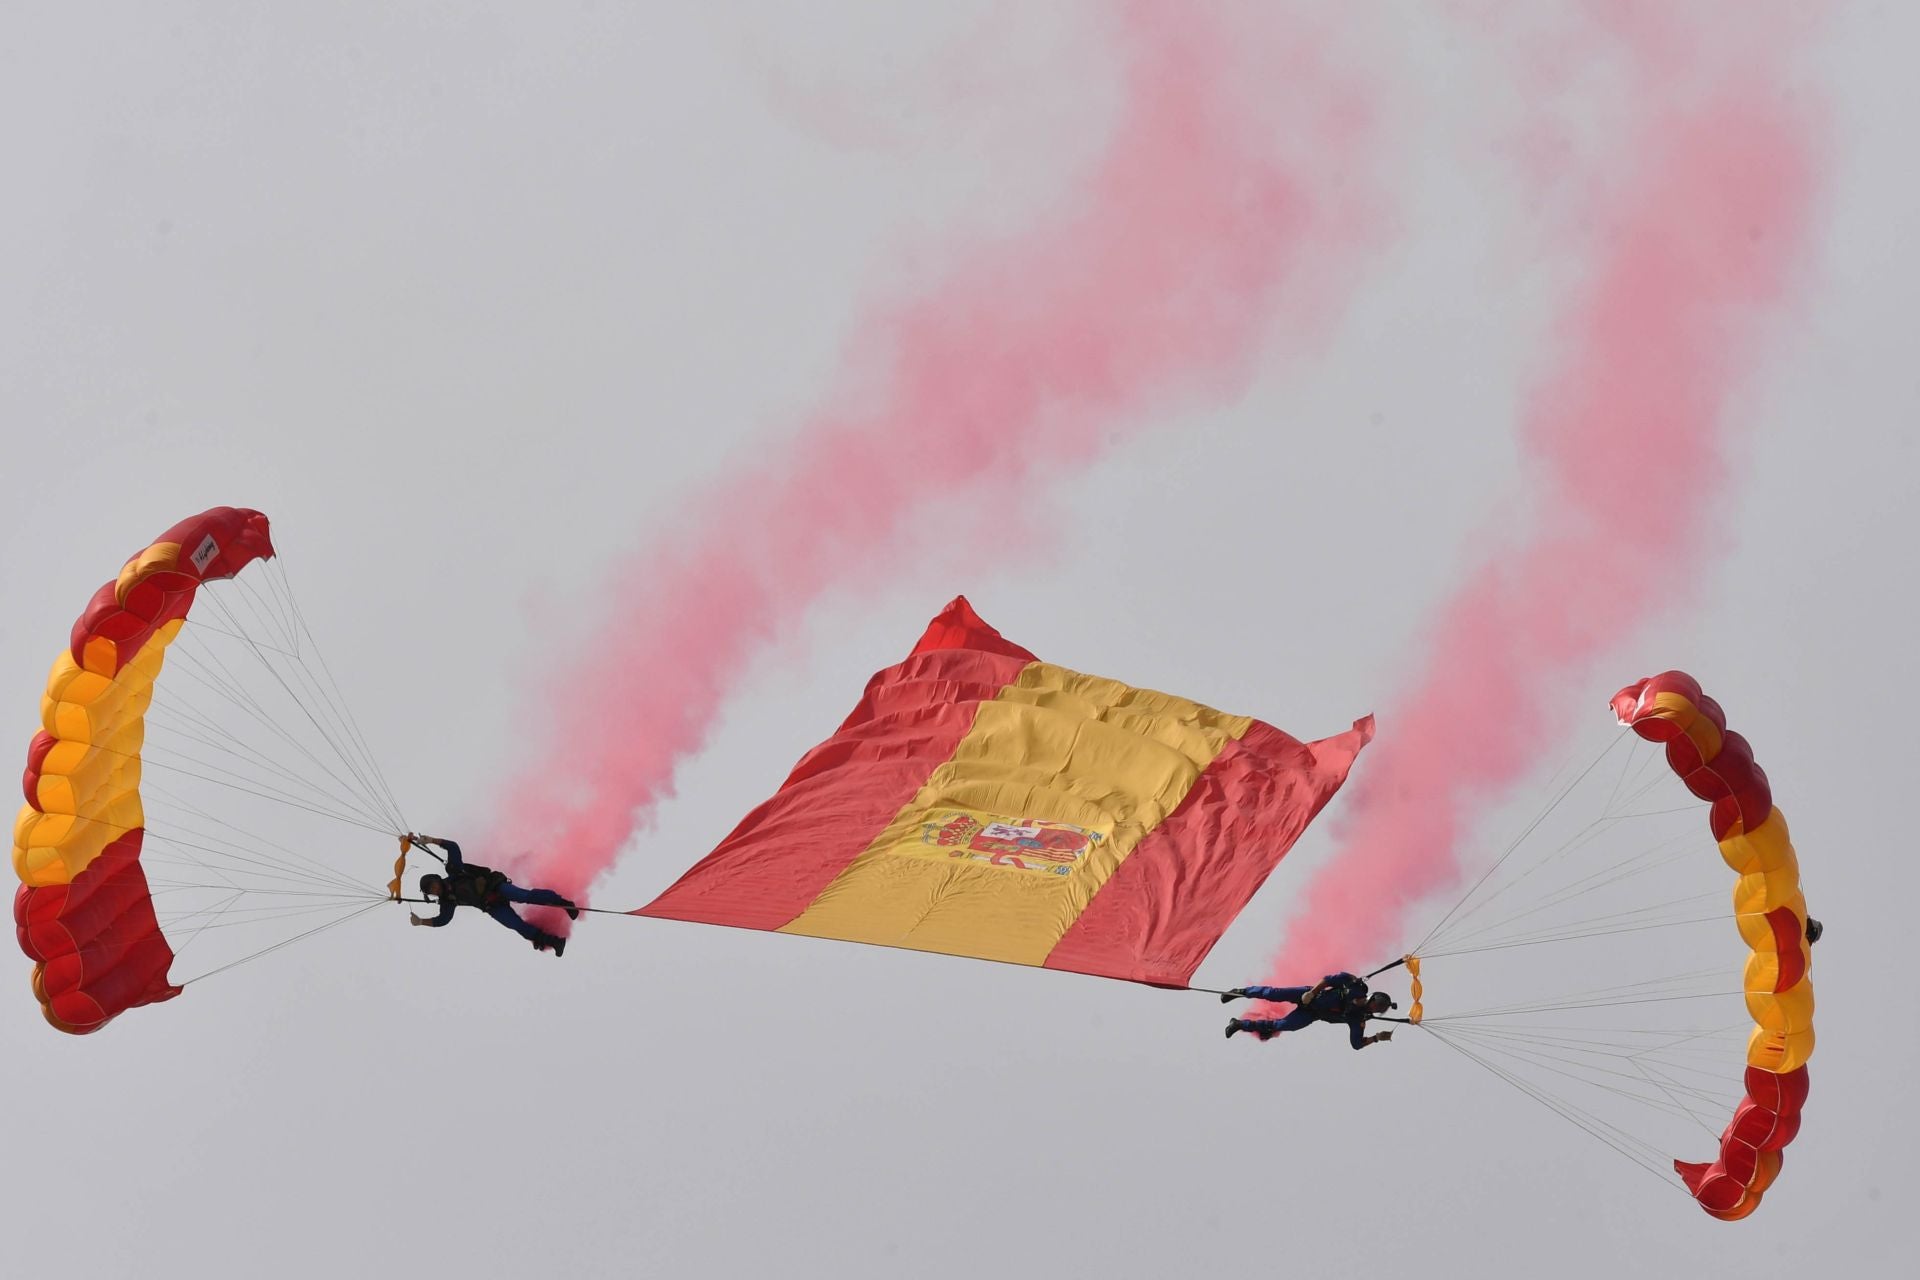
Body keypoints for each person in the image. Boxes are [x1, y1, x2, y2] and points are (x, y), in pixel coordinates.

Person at [406, 834, 579, 956]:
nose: (434, 890)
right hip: (492, 906)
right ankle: (556, 942)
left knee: (524, 896)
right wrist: (421, 922)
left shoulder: (454, 872)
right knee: (516, 925)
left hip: (496, 887)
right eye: (431, 891)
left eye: (433, 886)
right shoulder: (447, 902)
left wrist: (431, 840)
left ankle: (564, 903)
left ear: (437, 880)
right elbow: (442, 920)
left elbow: (453, 847)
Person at [1219, 972, 1396, 1049]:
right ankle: (1239, 992)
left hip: (1311, 1014)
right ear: (1373, 998)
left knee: (1283, 1025)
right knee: (1273, 994)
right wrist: (1312, 993)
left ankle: (1239, 1024)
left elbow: (1356, 1044)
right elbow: (1328, 979)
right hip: (1309, 995)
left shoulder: (1359, 1019)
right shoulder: (1356, 987)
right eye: (1377, 1004)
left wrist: (1376, 1038)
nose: (1375, 1009)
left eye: (1379, 1009)